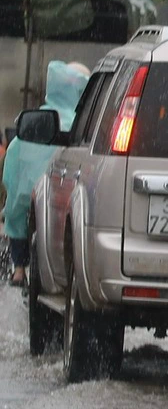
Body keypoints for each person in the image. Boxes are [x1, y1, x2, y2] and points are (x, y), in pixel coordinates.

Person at [3, 60, 88, 287]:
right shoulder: (82, 124)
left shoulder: (38, 119)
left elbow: (14, 158)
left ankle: (19, 268)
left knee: (16, 214)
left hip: (27, 196)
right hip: (60, 199)